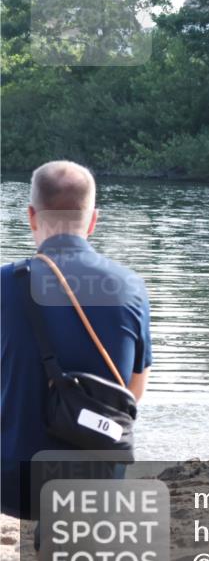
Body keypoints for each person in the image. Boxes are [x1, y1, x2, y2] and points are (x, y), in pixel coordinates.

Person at [1, 161, 153, 520]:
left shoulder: (5, 284)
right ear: (94, 219)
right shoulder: (130, 286)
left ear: (31, 216)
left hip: (12, 485)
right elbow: (133, 391)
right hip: (95, 480)